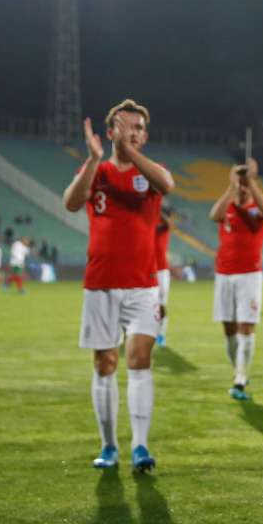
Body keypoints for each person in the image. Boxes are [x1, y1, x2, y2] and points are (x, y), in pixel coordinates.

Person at [63, 99, 174, 472]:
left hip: (143, 284)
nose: (132, 132)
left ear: (145, 135)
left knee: (140, 359)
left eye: (139, 128)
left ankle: (141, 446)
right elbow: (71, 202)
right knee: (105, 363)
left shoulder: (150, 173)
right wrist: (94, 160)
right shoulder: (97, 169)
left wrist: (132, 153)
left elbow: (167, 184)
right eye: (125, 126)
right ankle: (109, 445)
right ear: (109, 132)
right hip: (101, 283)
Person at [209, 159, 263, 400]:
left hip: (249, 275)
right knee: (229, 328)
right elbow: (213, 214)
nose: (242, 189)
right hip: (224, 274)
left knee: (246, 325)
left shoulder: (256, 211)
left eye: (245, 186)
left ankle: (240, 378)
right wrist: (232, 185)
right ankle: (238, 369)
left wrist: (251, 182)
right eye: (241, 184)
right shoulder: (227, 208)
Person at [154, 204, 173, 345]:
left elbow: (168, 223)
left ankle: (161, 334)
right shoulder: (148, 225)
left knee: (161, 304)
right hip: (146, 269)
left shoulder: (164, 227)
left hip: (161, 271)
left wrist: (156, 210)